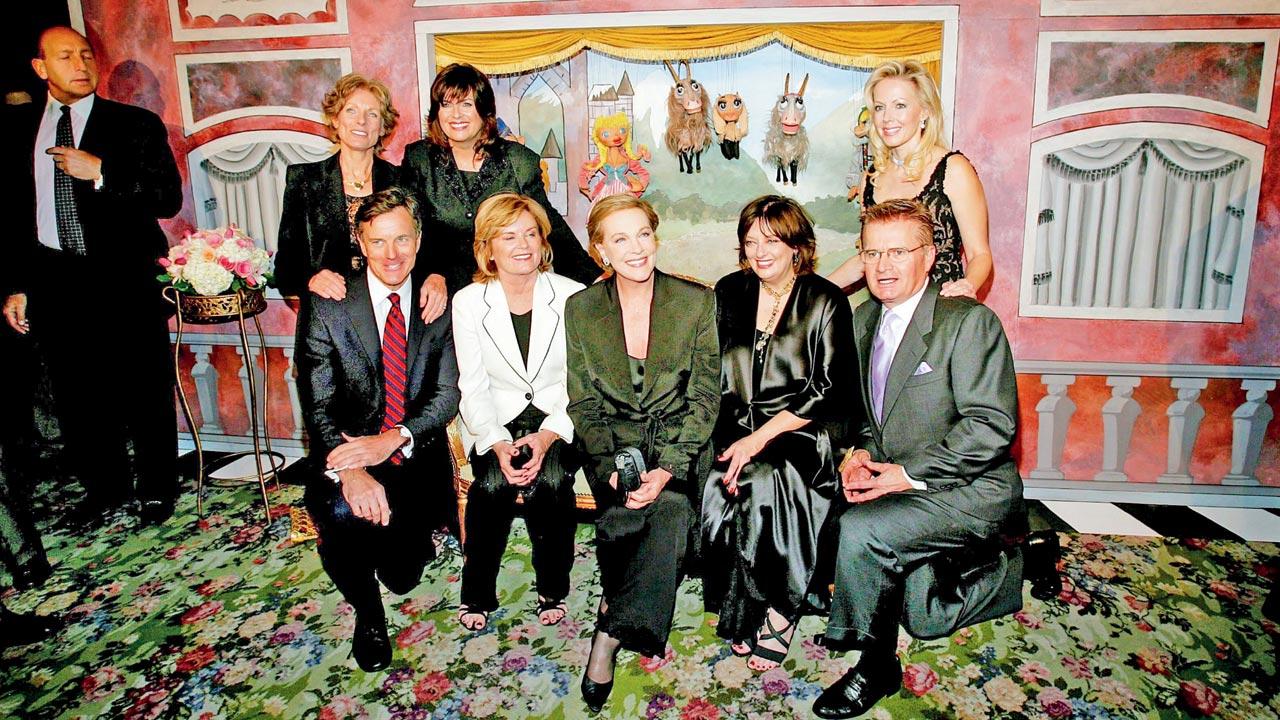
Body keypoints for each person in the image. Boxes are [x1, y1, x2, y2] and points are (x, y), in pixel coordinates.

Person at [812, 199, 1025, 719]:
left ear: (929, 257)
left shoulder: (967, 322)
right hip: (901, 483)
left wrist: (906, 475)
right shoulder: (862, 320)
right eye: (871, 253)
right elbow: (865, 415)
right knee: (924, 615)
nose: (883, 266)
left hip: (969, 492)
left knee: (863, 532)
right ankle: (924, 581)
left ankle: (876, 665)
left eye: (898, 252)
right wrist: (857, 452)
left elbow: (991, 427)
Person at [1, 26, 182, 526]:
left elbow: (167, 197)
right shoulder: (18, 130)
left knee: (144, 391)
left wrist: (102, 172)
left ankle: (156, 491)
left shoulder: (135, 124)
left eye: (86, 54)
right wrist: (16, 285)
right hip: (54, 279)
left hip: (124, 280)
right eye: (65, 57)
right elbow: (13, 214)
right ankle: (104, 489)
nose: (81, 64)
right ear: (41, 68)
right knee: (78, 396)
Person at [565, 194, 718, 713]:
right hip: (612, 444)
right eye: (620, 238)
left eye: (643, 234)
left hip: (680, 441)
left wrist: (669, 466)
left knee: (670, 507)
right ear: (601, 249)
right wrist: (609, 468)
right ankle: (626, 604)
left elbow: (704, 398)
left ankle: (608, 630)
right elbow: (582, 401)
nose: (636, 249)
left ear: (656, 237)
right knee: (633, 514)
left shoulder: (696, 302)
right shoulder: (582, 309)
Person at [297, 188, 460, 672]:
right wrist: (350, 470)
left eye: (402, 240)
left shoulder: (439, 301)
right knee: (343, 516)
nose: (392, 254)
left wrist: (395, 438)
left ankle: (403, 546)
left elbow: (446, 394)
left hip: (413, 454)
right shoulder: (330, 304)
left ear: (418, 240)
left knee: (406, 573)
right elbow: (317, 400)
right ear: (361, 244)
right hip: (346, 450)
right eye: (379, 241)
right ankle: (368, 616)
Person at [702, 196, 856, 671]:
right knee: (716, 482)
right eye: (751, 242)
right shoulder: (729, 291)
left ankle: (781, 610)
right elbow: (709, 367)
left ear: (796, 245)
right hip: (736, 429)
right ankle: (744, 605)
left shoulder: (825, 299)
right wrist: (732, 438)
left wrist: (757, 439)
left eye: (772, 240)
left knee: (762, 476)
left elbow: (827, 390)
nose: (760, 252)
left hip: (802, 432)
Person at [451, 193, 584, 631]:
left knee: (550, 480)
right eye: (508, 236)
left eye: (530, 233)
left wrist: (547, 437)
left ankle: (552, 587)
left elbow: (580, 382)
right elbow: (471, 384)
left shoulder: (572, 296)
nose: (522, 244)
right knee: (490, 484)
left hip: (559, 417)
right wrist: (496, 441)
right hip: (496, 418)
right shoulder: (469, 302)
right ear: (487, 247)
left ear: (544, 241)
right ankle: (477, 593)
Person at [401, 63, 599, 321]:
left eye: (466, 104)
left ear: (485, 111)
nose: (455, 115)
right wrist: (431, 273)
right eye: (446, 104)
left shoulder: (519, 161)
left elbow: (550, 227)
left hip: (507, 293)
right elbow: (408, 229)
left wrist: (595, 278)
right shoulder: (419, 159)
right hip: (440, 294)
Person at [826, 60, 993, 300]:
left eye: (900, 105)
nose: (887, 118)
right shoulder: (871, 178)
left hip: (941, 311)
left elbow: (980, 254)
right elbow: (868, 259)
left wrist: (968, 286)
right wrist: (812, 288)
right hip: (887, 312)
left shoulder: (954, 169)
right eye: (880, 107)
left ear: (924, 111)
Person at [274, 73, 400, 299]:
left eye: (372, 114)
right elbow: (285, 269)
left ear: (383, 127)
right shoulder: (304, 180)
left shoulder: (403, 182)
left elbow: (422, 256)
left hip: (387, 312)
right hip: (328, 314)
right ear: (335, 119)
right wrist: (311, 278)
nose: (361, 121)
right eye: (351, 110)